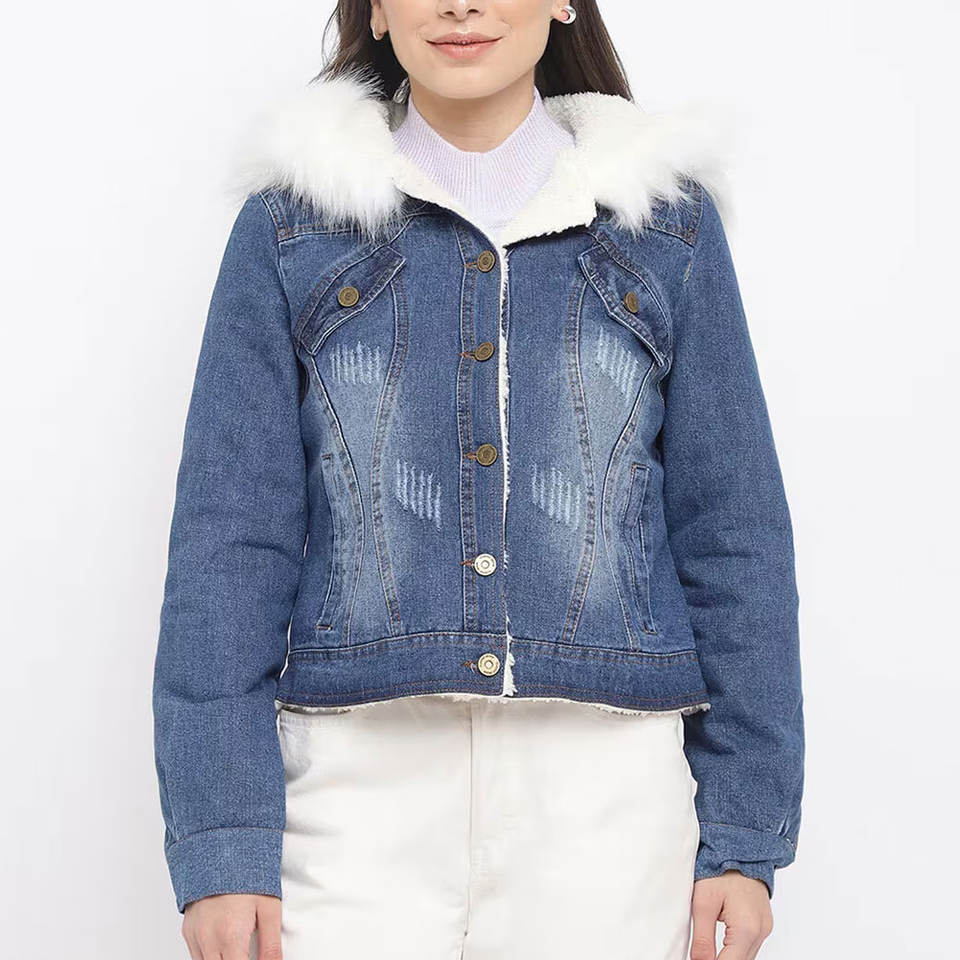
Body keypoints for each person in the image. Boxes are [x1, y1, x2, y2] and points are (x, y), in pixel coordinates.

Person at [152, 1, 805, 958]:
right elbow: (228, 546)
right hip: (354, 793)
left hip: (608, 798)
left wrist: (745, 837)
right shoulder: (292, 228)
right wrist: (222, 844)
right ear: (379, 10)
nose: (461, 5)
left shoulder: (664, 227)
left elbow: (734, 537)